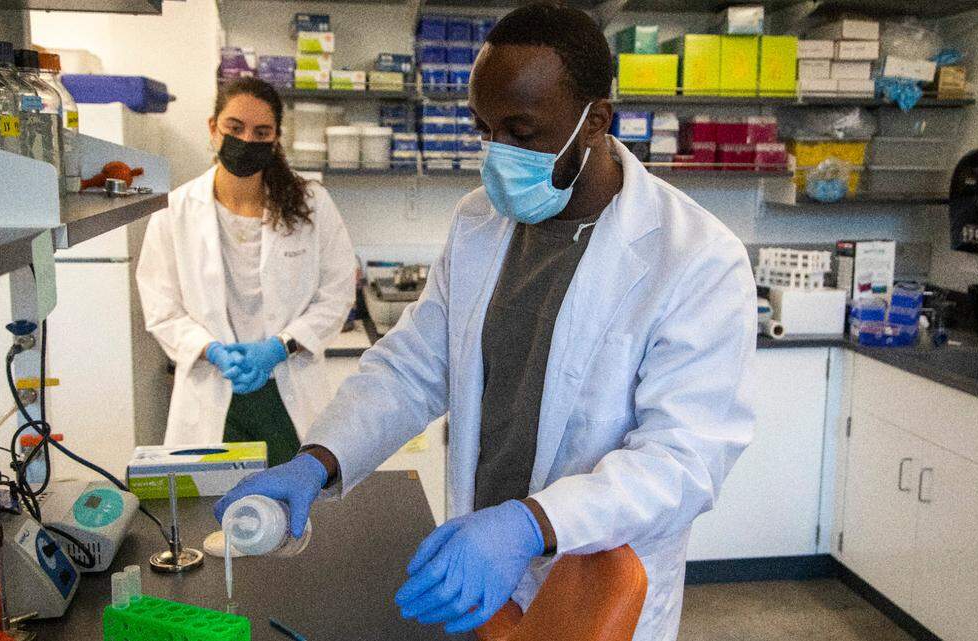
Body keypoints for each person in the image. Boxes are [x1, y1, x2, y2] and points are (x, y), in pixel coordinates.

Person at [214, 5, 757, 639]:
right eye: (484, 128)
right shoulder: (481, 221)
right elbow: (413, 367)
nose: (499, 152)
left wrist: (528, 525)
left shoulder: (694, 256)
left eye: (522, 131)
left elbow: (683, 460)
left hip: (596, 583)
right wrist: (319, 460)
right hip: (478, 572)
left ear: (595, 122)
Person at [136, 78, 355, 467]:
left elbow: (337, 294)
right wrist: (212, 350)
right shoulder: (174, 210)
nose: (246, 140)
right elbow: (161, 307)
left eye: (261, 132)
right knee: (210, 517)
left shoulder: (312, 204)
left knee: (298, 511)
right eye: (235, 128)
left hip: (289, 392)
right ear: (212, 128)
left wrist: (279, 347)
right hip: (212, 390)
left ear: (275, 140)